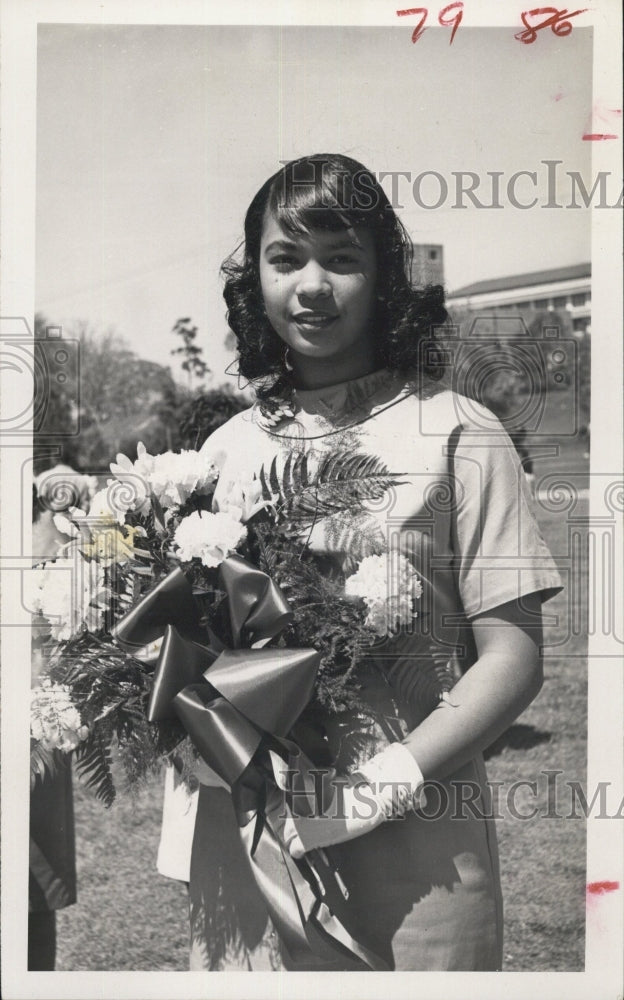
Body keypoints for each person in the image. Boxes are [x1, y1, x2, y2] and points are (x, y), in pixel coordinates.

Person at [158, 153, 563, 971]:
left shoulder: (460, 431)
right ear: (255, 279)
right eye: (286, 258)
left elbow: (514, 657)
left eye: (342, 259)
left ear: (385, 278)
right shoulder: (222, 452)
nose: (313, 285)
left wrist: (389, 781)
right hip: (248, 847)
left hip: (416, 853)